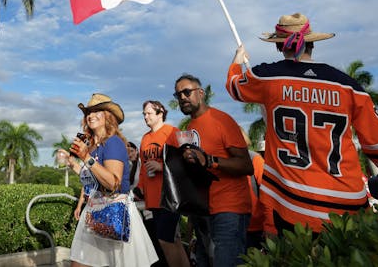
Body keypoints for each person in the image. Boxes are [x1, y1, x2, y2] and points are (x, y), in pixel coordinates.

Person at [226, 12, 378, 234]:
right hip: (348, 209)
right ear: (312, 43)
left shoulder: (267, 78)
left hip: (292, 208)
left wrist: (237, 61)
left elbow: (234, 86)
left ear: (279, 46)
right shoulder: (348, 86)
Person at [69, 93, 159, 267]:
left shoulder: (114, 143)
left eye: (97, 111)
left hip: (116, 213)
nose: (91, 115)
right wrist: (72, 163)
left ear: (108, 116)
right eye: (88, 112)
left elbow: (113, 183)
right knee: (79, 262)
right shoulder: (93, 146)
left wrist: (86, 157)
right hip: (94, 211)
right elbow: (93, 181)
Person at [174, 75, 253, 267]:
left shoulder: (221, 120)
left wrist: (210, 160)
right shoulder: (191, 127)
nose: (182, 97)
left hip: (230, 208)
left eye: (187, 92)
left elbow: (246, 166)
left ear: (200, 93)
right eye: (178, 95)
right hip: (204, 208)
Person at [139, 100, 188, 267]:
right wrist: (140, 188)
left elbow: (185, 162)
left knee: (164, 239)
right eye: (144, 114)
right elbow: (142, 169)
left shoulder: (172, 132)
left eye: (149, 113)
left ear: (160, 113)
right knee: (173, 240)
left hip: (170, 195)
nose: (145, 117)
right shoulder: (145, 138)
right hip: (153, 198)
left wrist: (161, 166)